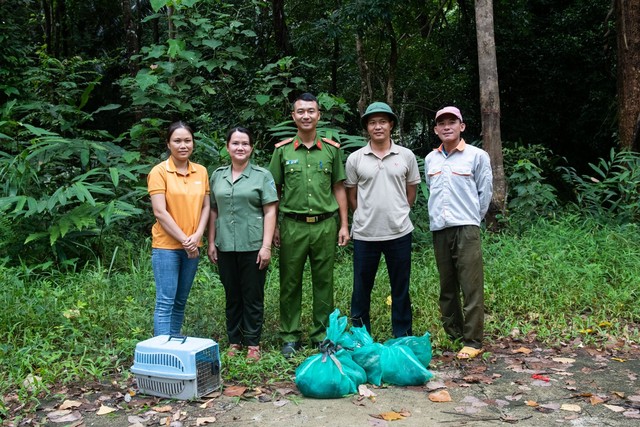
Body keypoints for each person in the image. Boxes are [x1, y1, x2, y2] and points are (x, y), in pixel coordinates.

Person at [268, 92, 350, 358]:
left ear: (318, 115)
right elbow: (274, 192)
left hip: (325, 225)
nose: (306, 116)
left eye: (311, 111)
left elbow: (339, 188)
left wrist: (344, 224)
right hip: (292, 225)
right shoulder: (282, 152)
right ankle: (290, 336)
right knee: (289, 282)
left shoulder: (331, 150)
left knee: (323, 281)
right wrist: (276, 227)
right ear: (293, 116)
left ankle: (321, 335)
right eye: (300, 111)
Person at [345, 102, 421, 338]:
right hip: (365, 234)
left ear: (391, 125)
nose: (378, 127)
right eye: (372, 122)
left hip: (399, 232)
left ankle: (403, 335)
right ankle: (360, 337)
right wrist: (365, 215)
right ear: (367, 127)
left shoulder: (406, 156)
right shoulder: (355, 159)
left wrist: (398, 211)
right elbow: (352, 194)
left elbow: (411, 192)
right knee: (361, 289)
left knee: (400, 288)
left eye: (382, 122)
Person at [424, 106, 493, 359]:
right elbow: (432, 188)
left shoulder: (477, 156)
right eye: (441, 123)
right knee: (447, 285)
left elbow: (484, 193)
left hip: (466, 227)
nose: (446, 127)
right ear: (435, 129)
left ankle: (473, 341)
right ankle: (454, 335)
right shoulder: (431, 159)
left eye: (452, 122)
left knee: (471, 285)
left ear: (462, 126)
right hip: (440, 229)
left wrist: (473, 219)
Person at [207, 127, 278, 362]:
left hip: (253, 244)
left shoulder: (262, 175)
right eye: (235, 143)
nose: (240, 148)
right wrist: (211, 242)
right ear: (227, 147)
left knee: (253, 295)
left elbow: (270, 211)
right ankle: (234, 341)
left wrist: (266, 246)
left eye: (245, 144)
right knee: (232, 295)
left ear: (251, 148)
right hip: (225, 244)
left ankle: (253, 343)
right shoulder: (217, 175)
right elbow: (213, 211)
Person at [147, 121, 210, 336]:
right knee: (165, 301)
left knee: (181, 301)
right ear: (168, 144)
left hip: (192, 246)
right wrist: (185, 240)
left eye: (187, 140)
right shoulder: (159, 172)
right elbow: (160, 212)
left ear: (193, 143)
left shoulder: (201, 171)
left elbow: (206, 206)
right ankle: (162, 354)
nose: (183, 145)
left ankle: (173, 344)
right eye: (177, 141)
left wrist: (198, 235)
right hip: (167, 247)